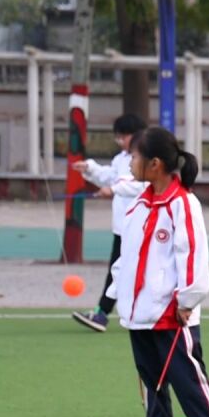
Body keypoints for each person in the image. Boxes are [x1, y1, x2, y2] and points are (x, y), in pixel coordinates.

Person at [106, 126, 209, 417]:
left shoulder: (183, 204)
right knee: (150, 378)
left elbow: (192, 254)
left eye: (135, 156)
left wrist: (187, 300)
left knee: (187, 376)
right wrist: (119, 293)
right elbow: (128, 254)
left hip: (172, 310)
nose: (130, 163)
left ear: (155, 164)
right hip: (139, 311)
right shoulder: (139, 204)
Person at [72, 113, 148, 332]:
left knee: (125, 271)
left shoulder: (146, 158)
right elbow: (111, 176)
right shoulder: (121, 159)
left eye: (122, 136)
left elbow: (139, 184)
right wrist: (90, 168)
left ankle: (102, 314)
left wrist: (113, 189)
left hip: (141, 227)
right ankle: (103, 313)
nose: (120, 142)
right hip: (123, 228)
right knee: (120, 270)